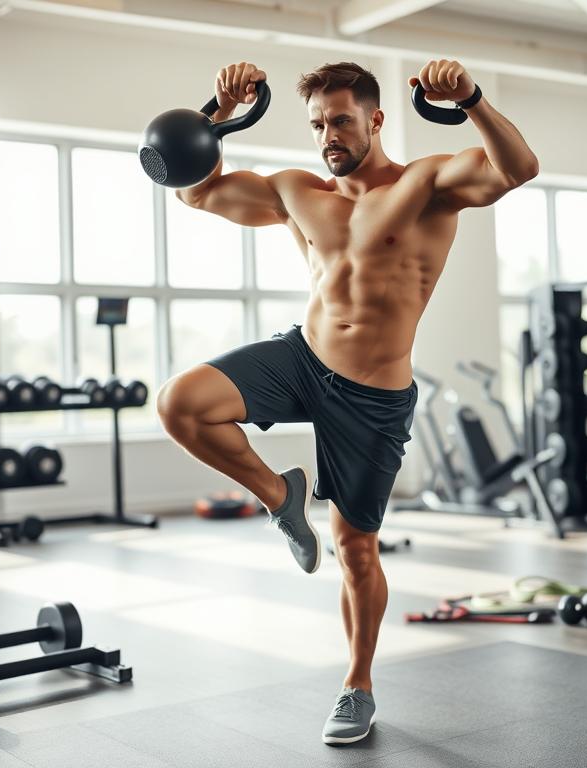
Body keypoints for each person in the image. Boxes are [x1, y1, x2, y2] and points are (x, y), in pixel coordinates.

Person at [157, 59, 538, 744]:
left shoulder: (426, 184)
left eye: (338, 120)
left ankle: (357, 684)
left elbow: (517, 168)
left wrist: (472, 99)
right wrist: (216, 111)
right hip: (304, 359)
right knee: (181, 403)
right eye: (316, 124)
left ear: (374, 119)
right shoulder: (296, 190)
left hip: (373, 395)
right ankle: (280, 496)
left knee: (355, 550)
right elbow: (195, 191)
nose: (326, 135)